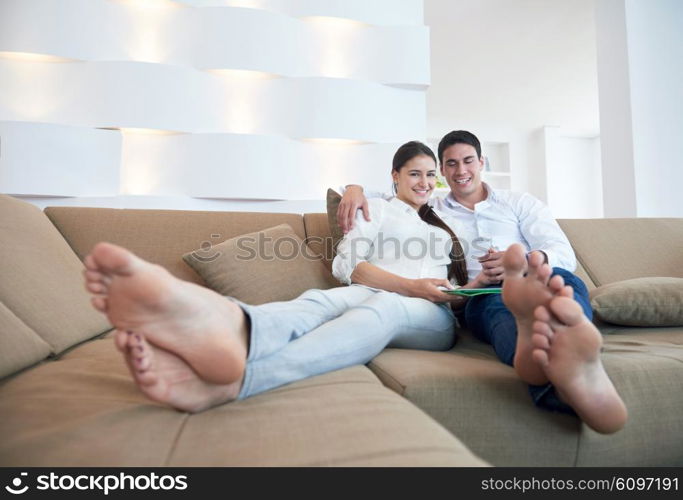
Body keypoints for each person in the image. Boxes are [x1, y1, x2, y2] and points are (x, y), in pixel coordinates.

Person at [83, 141, 479, 412]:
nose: (425, 182)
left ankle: (244, 378)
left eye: (431, 175)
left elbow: (456, 289)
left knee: (383, 309)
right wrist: (409, 283)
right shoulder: (375, 208)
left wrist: (464, 291)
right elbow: (348, 268)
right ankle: (230, 324)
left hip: (432, 317)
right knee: (322, 300)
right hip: (380, 292)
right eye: (414, 174)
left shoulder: (442, 224)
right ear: (394, 176)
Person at [336, 130, 627, 433]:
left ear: (481, 161)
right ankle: (564, 368)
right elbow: (395, 192)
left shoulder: (519, 203)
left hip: (538, 277)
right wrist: (355, 188)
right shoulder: (431, 210)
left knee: (564, 283)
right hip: (483, 292)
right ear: (442, 172)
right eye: (450, 164)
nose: (460, 171)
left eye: (467, 161)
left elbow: (563, 253)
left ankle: (568, 350)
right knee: (498, 312)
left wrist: (521, 262)